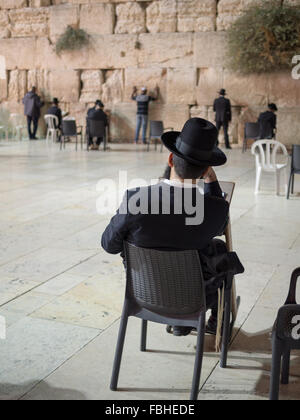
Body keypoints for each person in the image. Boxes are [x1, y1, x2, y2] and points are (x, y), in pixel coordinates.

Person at [101, 118, 244, 336]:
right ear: (206, 169)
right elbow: (219, 225)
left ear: (170, 159)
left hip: (143, 294)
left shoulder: (136, 199)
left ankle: (180, 323)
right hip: (193, 299)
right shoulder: (215, 210)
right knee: (220, 252)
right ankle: (210, 321)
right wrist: (212, 183)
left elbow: (108, 245)